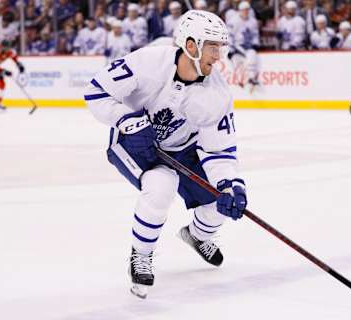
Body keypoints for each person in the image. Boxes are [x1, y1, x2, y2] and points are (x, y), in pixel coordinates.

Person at [83, 10, 247, 299]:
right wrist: (127, 120)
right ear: (192, 45)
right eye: (212, 46)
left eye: (220, 47)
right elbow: (97, 92)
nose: (218, 56)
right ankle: (141, 255)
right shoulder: (148, 62)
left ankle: (197, 236)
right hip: (134, 142)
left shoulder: (217, 93)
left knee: (217, 205)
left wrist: (230, 183)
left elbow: (219, 148)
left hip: (182, 147)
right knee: (161, 187)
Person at [226, 1, 260, 87]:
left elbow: (255, 34)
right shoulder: (233, 21)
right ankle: (240, 80)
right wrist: (230, 50)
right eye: (244, 10)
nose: (246, 12)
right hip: (237, 46)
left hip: (248, 46)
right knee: (236, 61)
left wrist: (255, 44)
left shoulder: (253, 21)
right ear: (240, 10)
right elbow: (229, 36)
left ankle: (251, 78)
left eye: (247, 10)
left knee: (252, 56)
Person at [0, 40, 25, 111]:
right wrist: (3, 71)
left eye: (8, 48)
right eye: (4, 48)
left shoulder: (10, 52)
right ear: (1, 47)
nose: (6, 50)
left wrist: (19, 64)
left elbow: (14, 58)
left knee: (2, 85)